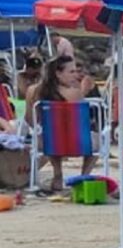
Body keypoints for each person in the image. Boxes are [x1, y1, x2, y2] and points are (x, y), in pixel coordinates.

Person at [25, 56, 95, 192]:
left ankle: (58, 174)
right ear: (58, 73)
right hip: (75, 145)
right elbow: (83, 123)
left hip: (46, 144)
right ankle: (84, 176)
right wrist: (83, 91)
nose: (76, 75)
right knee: (98, 139)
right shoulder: (75, 94)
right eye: (72, 72)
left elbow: (29, 120)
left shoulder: (32, 91)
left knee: (52, 134)